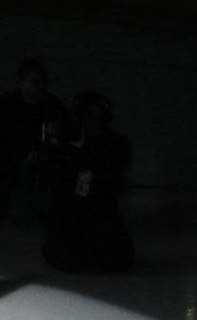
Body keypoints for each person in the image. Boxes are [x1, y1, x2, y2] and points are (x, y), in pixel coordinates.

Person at [39, 90, 133, 272]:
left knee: (115, 254)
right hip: (70, 212)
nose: (90, 122)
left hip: (99, 211)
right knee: (63, 250)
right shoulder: (66, 143)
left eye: (95, 116)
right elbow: (53, 183)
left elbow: (111, 181)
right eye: (85, 116)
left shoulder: (117, 143)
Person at [0, 58, 71, 218]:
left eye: (42, 82)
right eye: (34, 82)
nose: (39, 86)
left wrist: (44, 152)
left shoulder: (53, 106)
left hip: (42, 159)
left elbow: (63, 136)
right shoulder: (5, 105)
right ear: (21, 82)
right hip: (6, 159)